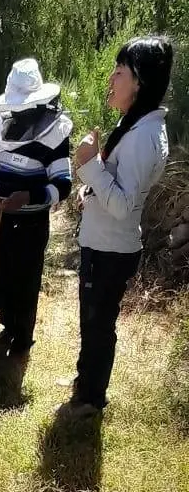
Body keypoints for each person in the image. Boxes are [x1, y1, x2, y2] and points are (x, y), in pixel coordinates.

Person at [70, 35, 172, 414]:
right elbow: (114, 188)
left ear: (139, 82)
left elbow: (124, 206)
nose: (111, 79)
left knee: (98, 325)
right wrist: (89, 189)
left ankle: (92, 399)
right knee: (91, 321)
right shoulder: (135, 125)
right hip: (103, 243)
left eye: (119, 72)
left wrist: (88, 164)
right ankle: (86, 381)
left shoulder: (144, 137)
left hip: (111, 250)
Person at [0, 59, 72, 356]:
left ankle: (23, 340)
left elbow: (63, 185)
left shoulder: (55, 133)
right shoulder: (7, 127)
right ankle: (9, 327)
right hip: (3, 219)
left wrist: (28, 197)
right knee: (1, 279)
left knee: (25, 283)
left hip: (31, 225)